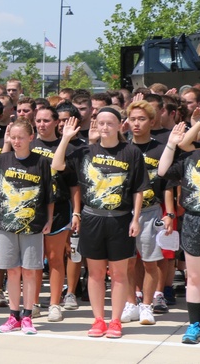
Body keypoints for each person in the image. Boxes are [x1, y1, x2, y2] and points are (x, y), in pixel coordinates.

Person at [52, 108, 147, 339]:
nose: (105, 127)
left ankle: (115, 321)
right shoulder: (85, 150)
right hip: (92, 218)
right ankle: (98, 319)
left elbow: (138, 189)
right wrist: (65, 138)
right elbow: (56, 165)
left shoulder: (131, 152)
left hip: (121, 219)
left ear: (119, 125)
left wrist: (135, 218)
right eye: (101, 123)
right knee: (94, 274)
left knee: (119, 274)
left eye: (110, 123)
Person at [0, 120, 53, 335]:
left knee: (29, 271)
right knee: (12, 271)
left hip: (33, 225)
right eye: (13, 137)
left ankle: (27, 316)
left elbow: (48, 195)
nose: (17, 141)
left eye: (21, 137)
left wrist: (49, 219)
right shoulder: (1, 160)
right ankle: (13, 315)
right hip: (7, 225)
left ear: (31, 137)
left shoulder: (42, 162)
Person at [158, 113, 200, 346]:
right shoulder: (192, 157)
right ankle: (194, 325)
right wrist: (170, 144)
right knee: (195, 278)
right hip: (195, 222)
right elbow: (162, 171)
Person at [120, 100, 168, 326]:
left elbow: (169, 182)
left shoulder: (159, 148)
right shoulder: (122, 148)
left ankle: (147, 305)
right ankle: (131, 303)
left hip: (151, 211)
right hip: (123, 211)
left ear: (152, 121)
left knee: (151, 262)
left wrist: (170, 214)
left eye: (141, 119)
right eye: (133, 119)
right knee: (127, 263)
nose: (136, 123)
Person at [29, 106, 80, 322]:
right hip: (31, 210)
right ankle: (32, 303)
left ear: (56, 122)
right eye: (38, 120)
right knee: (33, 260)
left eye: (46, 120)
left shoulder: (66, 146)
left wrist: (76, 212)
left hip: (59, 209)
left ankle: (54, 304)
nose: (42, 124)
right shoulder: (28, 145)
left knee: (55, 258)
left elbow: (74, 185)